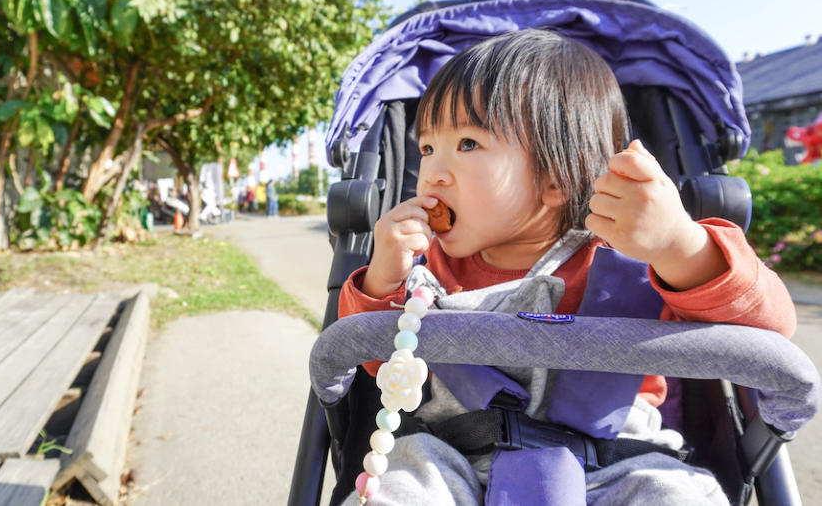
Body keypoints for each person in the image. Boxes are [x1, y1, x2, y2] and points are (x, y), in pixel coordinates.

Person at [338, 29, 796, 505]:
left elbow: (770, 329)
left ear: (556, 178)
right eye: (428, 147)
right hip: (454, 462)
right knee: (395, 488)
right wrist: (382, 280)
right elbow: (372, 364)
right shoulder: (426, 269)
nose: (432, 172)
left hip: (618, 464)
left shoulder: (637, 262)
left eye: (468, 143)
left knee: (675, 495)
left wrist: (681, 247)